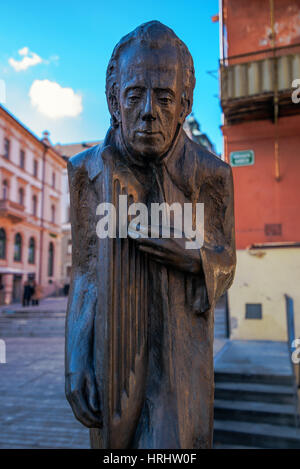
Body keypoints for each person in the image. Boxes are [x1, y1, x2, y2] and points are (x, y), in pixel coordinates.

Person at [65, 21, 236, 449]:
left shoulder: (211, 175)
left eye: (163, 99)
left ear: (184, 104)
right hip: (111, 356)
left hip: (181, 358)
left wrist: (195, 258)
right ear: (112, 100)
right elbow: (85, 270)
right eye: (134, 95)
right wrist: (75, 357)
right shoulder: (86, 170)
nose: (148, 112)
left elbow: (227, 259)